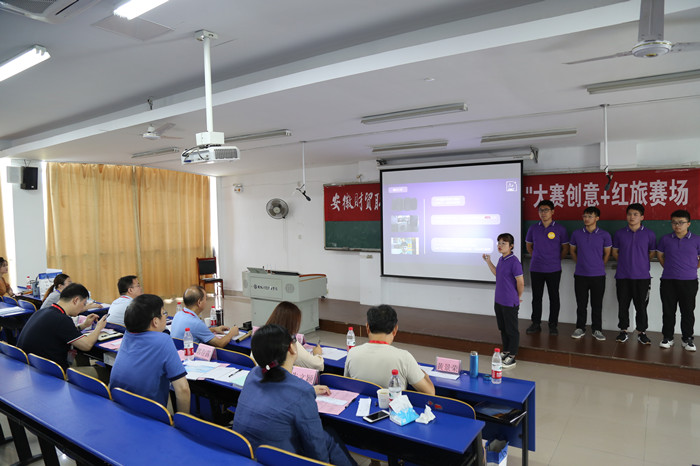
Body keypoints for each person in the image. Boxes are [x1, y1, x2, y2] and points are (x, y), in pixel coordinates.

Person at [233, 324, 356, 466]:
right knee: (326, 437)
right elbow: (315, 446)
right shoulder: (301, 391)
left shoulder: (253, 374)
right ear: (291, 348)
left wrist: (309, 390)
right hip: (279, 459)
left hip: (247, 453)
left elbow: (277, 393)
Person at [110, 294, 190, 412]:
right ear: (155, 321)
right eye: (164, 313)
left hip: (120, 407)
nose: (165, 316)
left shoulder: (127, 335)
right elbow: (183, 389)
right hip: (149, 413)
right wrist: (184, 421)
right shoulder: (163, 340)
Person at [344, 304, 435, 394]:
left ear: (367, 327)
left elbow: (347, 385)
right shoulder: (404, 357)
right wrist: (425, 375)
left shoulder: (352, 353)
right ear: (395, 330)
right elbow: (430, 393)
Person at [17, 283, 107, 369]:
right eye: (83, 304)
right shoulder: (62, 319)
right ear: (75, 300)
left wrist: (83, 325)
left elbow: (62, 332)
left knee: (81, 359)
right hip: (49, 371)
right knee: (105, 373)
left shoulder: (44, 311)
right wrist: (99, 327)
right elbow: (86, 345)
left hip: (29, 364)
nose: (83, 308)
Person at [612, 203, 657, 345]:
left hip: (642, 277)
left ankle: (641, 332)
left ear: (642, 217)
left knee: (641, 306)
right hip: (623, 276)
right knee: (623, 305)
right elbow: (615, 252)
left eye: (635, 214)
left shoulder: (649, 234)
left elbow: (652, 253)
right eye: (629, 214)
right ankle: (623, 331)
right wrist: (625, 263)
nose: (632, 217)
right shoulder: (619, 233)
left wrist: (640, 263)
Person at [656, 209, 700, 351]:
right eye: (674, 222)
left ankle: (687, 339)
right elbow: (660, 256)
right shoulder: (665, 239)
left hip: (689, 281)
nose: (677, 225)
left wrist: (692, 268)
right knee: (668, 311)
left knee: (687, 311)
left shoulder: (697, 239)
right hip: (668, 281)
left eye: (681, 222)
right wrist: (669, 268)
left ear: (688, 224)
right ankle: (668, 338)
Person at [525, 200, 569, 335]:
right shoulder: (533, 228)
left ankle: (553, 325)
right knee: (536, 297)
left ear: (552, 212)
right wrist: (537, 256)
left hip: (554, 269)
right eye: (540, 210)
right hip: (536, 268)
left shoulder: (560, 229)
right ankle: (536, 323)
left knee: (554, 297)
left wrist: (555, 259)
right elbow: (529, 246)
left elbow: (565, 248)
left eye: (546, 210)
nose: (543, 213)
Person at [569, 207, 612, 341]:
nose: (586, 219)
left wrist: (599, 266)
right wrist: (580, 263)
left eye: (590, 216)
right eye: (585, 216)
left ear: (597, 218)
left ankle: (597, 329)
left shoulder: (604, 235)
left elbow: (607, 254)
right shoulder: (576, 234)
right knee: (581, 304)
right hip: (580, 275)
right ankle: (580, 328)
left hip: (598, 275)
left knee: (597, 304)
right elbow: (572, 251)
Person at [483, 233, 524, 368]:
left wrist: (517, 297)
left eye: (504, 243)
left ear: (511, 246)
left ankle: (512, 356)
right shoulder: (501, 259)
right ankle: (506, 351)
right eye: (499, 243)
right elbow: (497, 273)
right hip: (499, 300)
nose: (500, 246)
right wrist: (488, 262)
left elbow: (520, 282)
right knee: (503, 328)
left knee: (512, 329)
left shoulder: (514, 262)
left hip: (509, 301)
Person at [170, 285, 238, 348]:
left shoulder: (178, 314)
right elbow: (220, 343)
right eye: (205, 299)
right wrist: (232, 333)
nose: (206, 301)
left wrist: (214, 329)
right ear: (199, 302)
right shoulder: (196, 323)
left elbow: (195, 331)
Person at [265, 301, 324, 370]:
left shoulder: (261, 336)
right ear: (293, 324)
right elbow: (318, 365)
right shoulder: (289, 343)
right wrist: (318, 353)